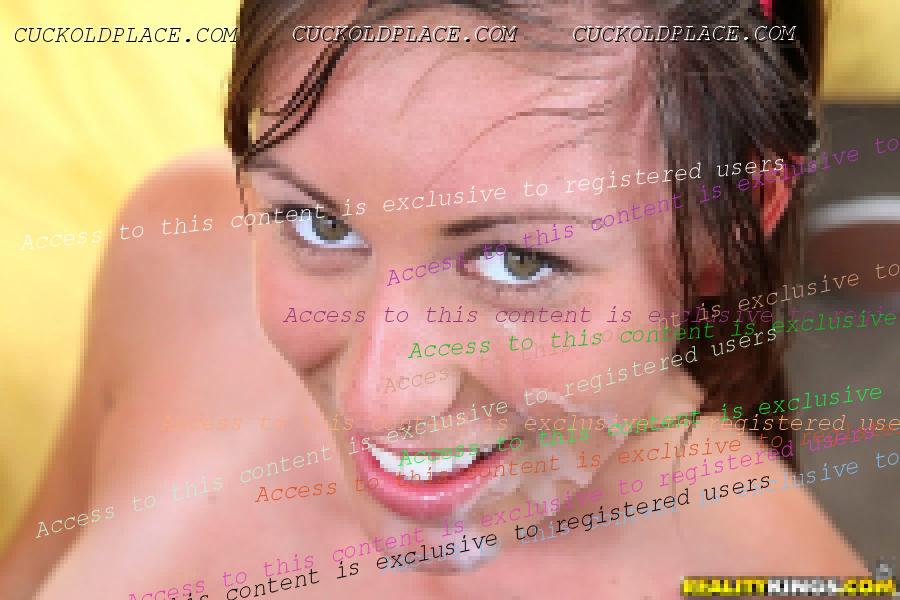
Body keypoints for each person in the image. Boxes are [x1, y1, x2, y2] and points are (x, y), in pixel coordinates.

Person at [1, 1, 868, 598]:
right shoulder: (180, 258)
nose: (376, 400)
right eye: (317, 224)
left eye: (518, 264)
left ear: (725, 228)